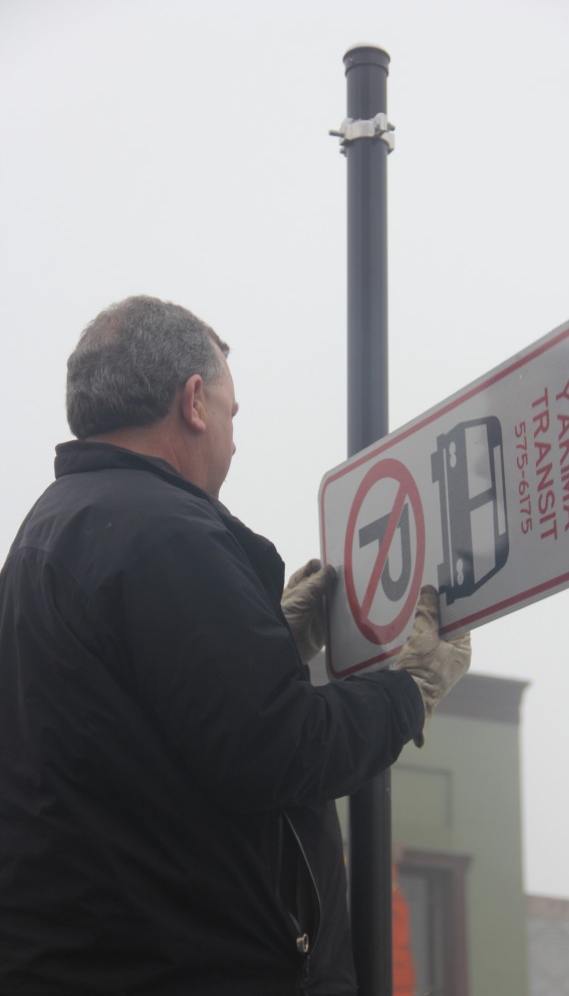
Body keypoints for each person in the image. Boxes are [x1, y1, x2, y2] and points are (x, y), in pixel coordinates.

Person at [0, 295, 471, 996]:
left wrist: (267, 638)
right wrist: (411, 691)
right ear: (193, 402)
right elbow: (279, 748)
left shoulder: (48, 533)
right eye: (230, 410)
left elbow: (144, 726)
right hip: (194, 966)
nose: (233, 437)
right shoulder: (163, 531)